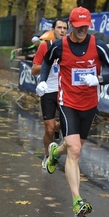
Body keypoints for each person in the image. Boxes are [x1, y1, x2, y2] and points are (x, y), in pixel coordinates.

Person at [37, 7, 109, 217]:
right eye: (79, 26)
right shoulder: (59, 45)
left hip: (90, 103)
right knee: (75, 151)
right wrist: (41, 80)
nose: (83, 29)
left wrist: (99, 79)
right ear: (72, 25)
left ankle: (55, 153)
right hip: (68, 103)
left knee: (73, 148)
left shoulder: (98, 46)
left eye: (86, 26)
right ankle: (77, 201)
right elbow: (47, 61)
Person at [32, 18, 68, 169]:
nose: (62, 30)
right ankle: (48, 156)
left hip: (65, 91)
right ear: (53, 30)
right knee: (49, 128)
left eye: (65, 28)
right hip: (48, 90)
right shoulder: (45, 46)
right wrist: (49, 62)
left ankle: (57, 134)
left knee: (66, 125)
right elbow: (34, 69)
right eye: (59, 27)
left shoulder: (70, 48)